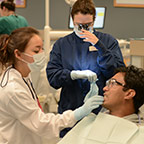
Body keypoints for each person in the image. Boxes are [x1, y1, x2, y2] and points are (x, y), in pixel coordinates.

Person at [0, 27, 104, 144]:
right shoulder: (13, 90)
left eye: (42, 48)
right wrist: (79, 112)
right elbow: (41, 123)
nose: (41, 54)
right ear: (18, 54)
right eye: (36, 50)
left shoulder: (22, 75)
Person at [46, 0, 125, 137]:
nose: (83, 28)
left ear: (94, 20)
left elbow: (117, 73)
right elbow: (53, 78)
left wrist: (100, 46)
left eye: (87, 25)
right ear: (72, 20)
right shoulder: (62, 45)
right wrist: (72, 75)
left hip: (102, 110)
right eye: (79, 25)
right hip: (71, 109)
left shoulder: (108, 42)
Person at [58, 65, 144, 144]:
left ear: (129, 94)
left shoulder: (138, 134)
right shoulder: (89, 121)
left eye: (113, 83)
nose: (104, 88)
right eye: (108, 83)